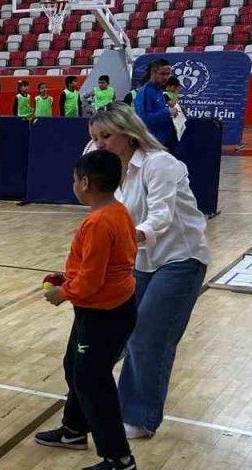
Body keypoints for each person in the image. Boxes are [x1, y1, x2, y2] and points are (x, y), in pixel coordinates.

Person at [87, 104, 209, 441]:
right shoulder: (108, 167)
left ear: (128, 135)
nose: (99, 143)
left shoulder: (160, 163)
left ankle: (139, 418)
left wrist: (127, 236)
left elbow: (161, 216)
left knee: (149, 336)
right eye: (95, 137)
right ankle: (103, 401)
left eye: (106, 136)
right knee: (119, 331)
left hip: (180, 258)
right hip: (140, 261)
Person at [36, 149, 139, 470]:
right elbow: (108, 265)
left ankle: (119, 459)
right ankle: (74, 430)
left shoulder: (97, 223)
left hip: (103, 314)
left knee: (93, 380)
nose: (73, 185)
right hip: (109, 308)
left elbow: (92, 281)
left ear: (84, 183)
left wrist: (63, 292)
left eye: (74, 180)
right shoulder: (119, 213)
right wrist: (70, 277)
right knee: (75, 367)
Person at [133, 60, 179, 150]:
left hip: (163, 141)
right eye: (162, 74)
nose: (166, 77)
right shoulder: (145, 92)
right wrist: (167, 112)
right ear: (153, 73)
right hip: (153, 144)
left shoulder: (159, 89)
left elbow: (158, 111)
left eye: (168, 74)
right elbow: (142, 119)